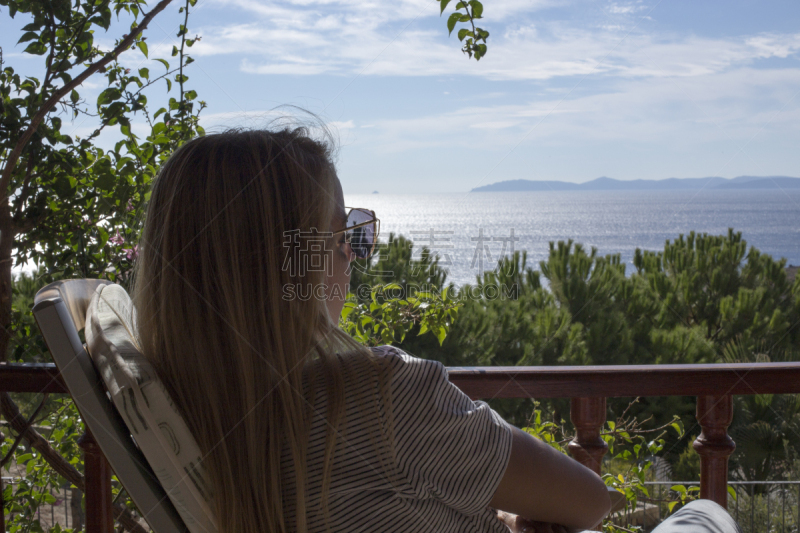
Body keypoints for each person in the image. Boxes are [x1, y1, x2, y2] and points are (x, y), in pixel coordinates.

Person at [132, 127, 740, 533]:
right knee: (707, 514)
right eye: (346, 235)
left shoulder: (182, 418)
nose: (355, 255)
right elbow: (588, 500)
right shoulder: (376, 398)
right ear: (290, 260)